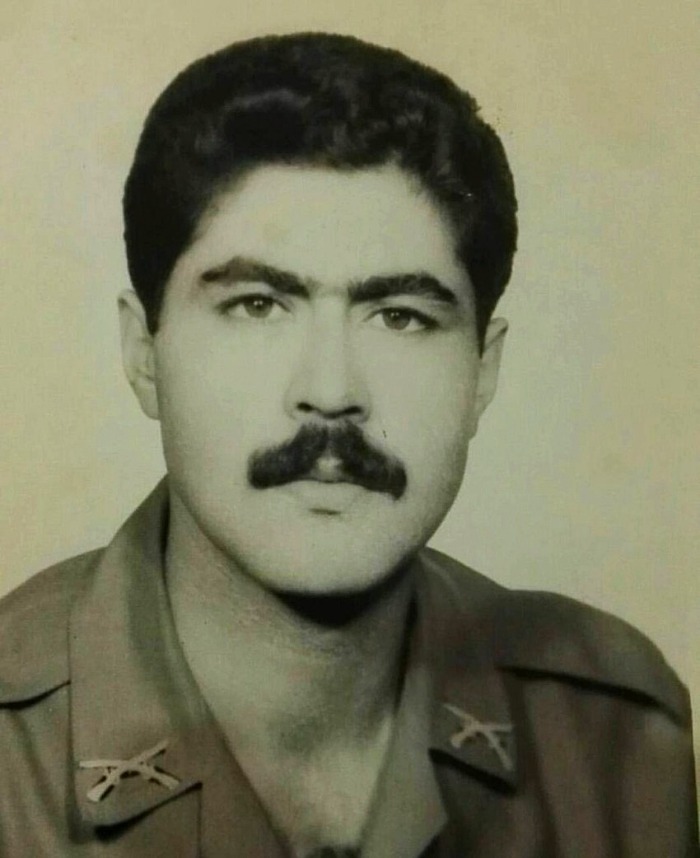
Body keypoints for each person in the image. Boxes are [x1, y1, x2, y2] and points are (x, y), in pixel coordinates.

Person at [0, 32, 696, 857]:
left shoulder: (615, 740)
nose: (331, 391)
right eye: (257, 305)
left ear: (482, 370)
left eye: (401, 317)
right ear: (142, 353)